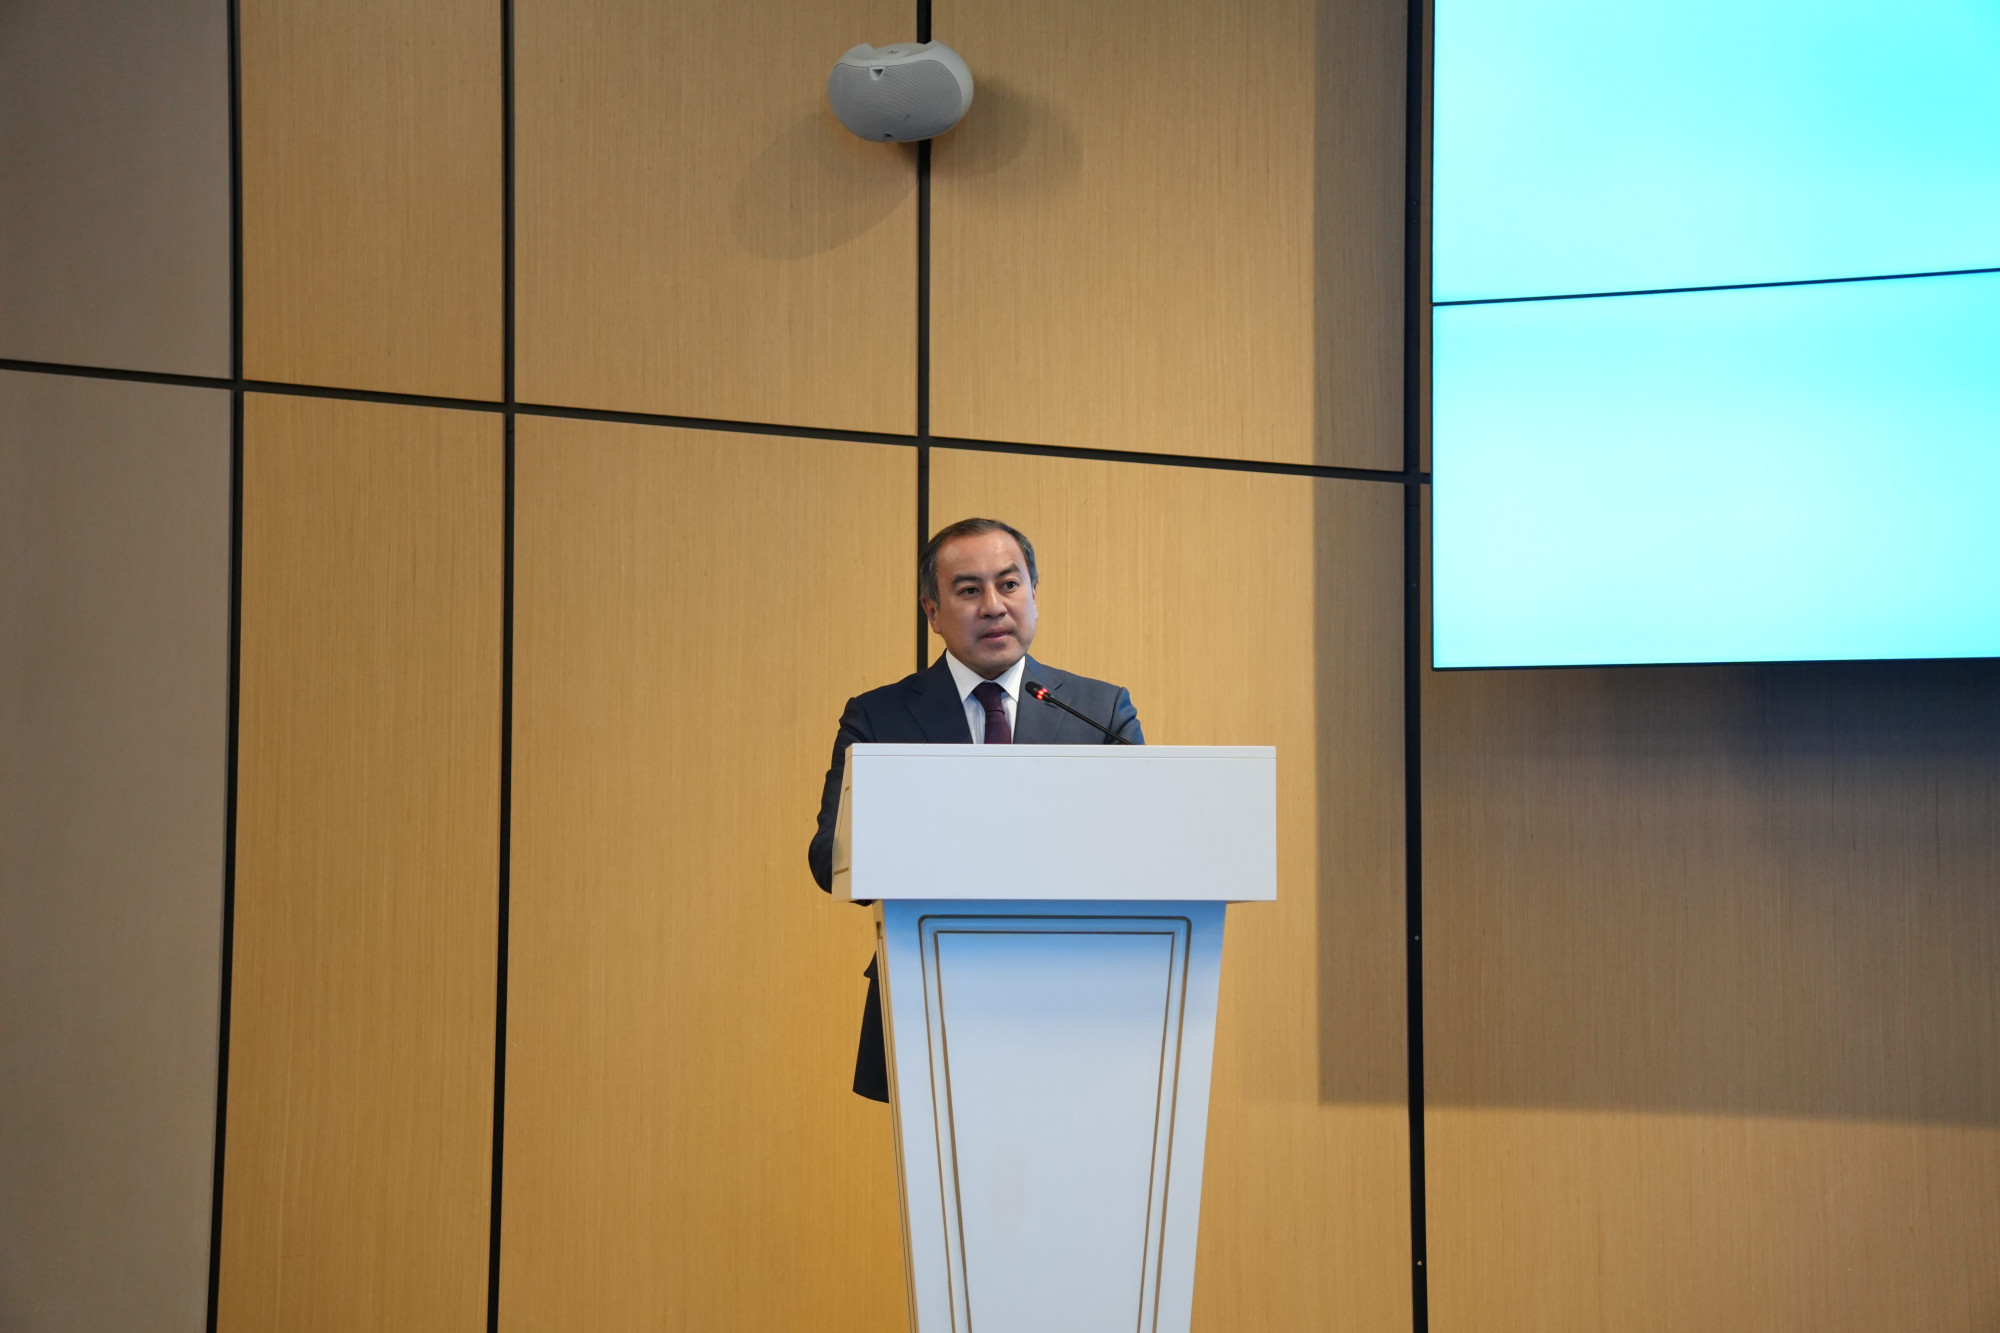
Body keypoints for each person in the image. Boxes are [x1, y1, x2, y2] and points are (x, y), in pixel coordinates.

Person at [807, 517, 1145, 1100]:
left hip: (1081, 1000)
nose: (994, 606)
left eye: (1009, 584)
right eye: (968, 590)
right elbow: (827, 859)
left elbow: (1144, 851)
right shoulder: (879, 717)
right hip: (928, 994)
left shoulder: (1100, 711)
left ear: (1034, 594)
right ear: (932, 612)